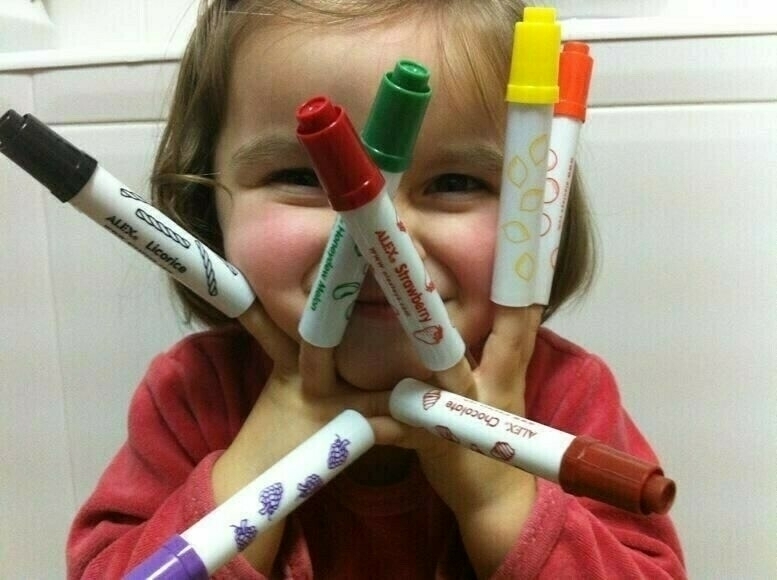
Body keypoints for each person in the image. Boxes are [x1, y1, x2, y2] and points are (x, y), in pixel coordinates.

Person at [67, 0, 686, 578]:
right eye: (301, 176)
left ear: (542, 220)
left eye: (453, 182)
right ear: (207, 208)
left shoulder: (566, 395)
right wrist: (252, 471)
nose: (380, 235)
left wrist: (499, 499)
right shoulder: (191, 395)